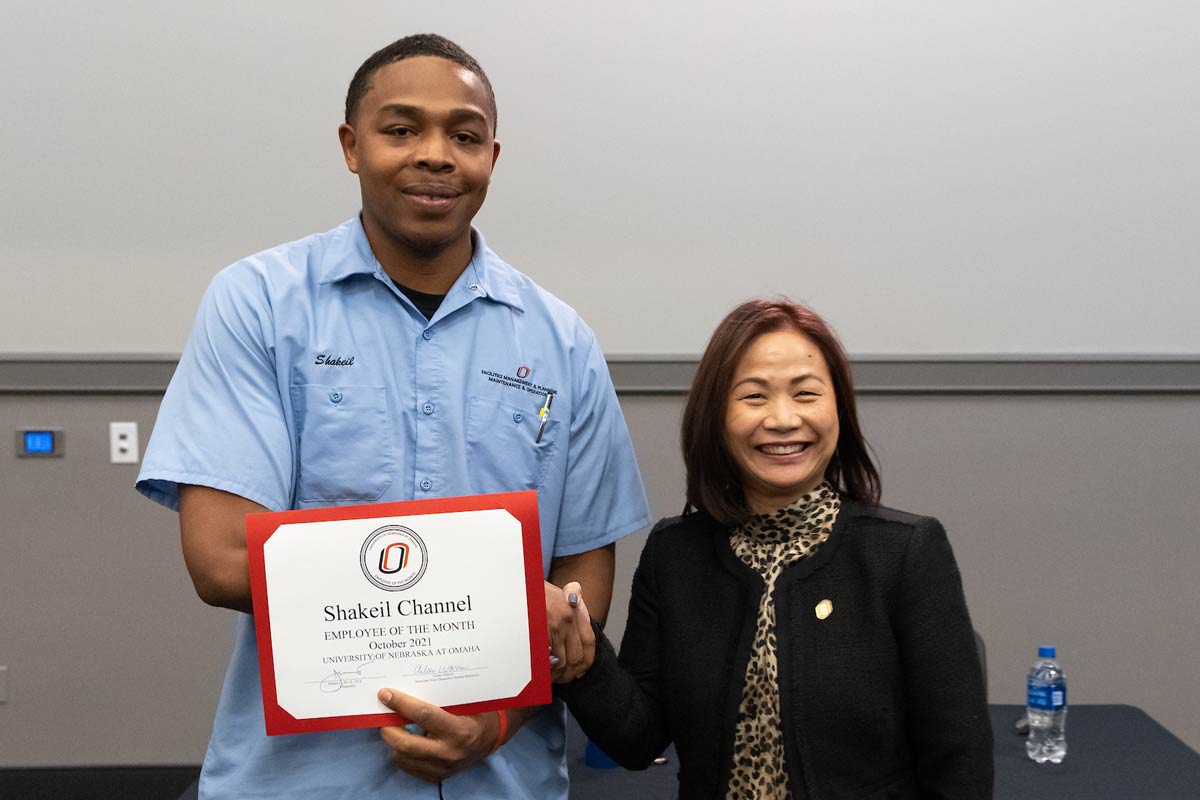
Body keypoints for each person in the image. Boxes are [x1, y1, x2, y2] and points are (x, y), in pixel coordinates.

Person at [135, 33, 649, 800]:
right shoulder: (259, 306)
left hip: (503, 778)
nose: (436, 155)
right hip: (302, 782)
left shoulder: (561, 340)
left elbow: (580, 574)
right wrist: (498, 590)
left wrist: (497, 723)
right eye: (402, 129)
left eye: (464, 135)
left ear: (492, 158)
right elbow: (219, 560)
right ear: (351, 145)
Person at [557, 300, 993, 799]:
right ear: (716, 414)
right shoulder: (674, 555)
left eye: (806, 394)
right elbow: (637, 741)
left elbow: (958, 759)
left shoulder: (905, 553)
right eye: (754, 397)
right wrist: (580, 657)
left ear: (839, 410)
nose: (784, 419)